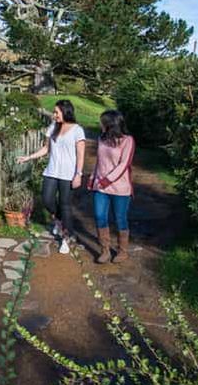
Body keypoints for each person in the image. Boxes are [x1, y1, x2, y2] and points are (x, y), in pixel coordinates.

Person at [18, 100, 85, 254]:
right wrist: (28, 157)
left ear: (65, 112)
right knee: (47, 200)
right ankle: (59, 221)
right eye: (54, 112)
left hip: (68, 175)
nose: (54, 115)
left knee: (65, 206)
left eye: (56, 112)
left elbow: (81, 154)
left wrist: (78, 174)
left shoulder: (77, 130)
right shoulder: (53, 127)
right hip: (52, 171)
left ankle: (66, 239)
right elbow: (46, 148)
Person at [88, 110, 135, 263]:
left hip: (120, 189)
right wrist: (92, 177)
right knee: (99, 216)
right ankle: (105, 250)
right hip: (100, 187)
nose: (100, 124)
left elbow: (124, 165)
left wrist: (107, 180)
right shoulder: (101, 139)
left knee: (120, 219)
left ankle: (122, 251)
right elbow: (99, 161)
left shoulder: (128, 141)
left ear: (111, 124)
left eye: (102, 122)